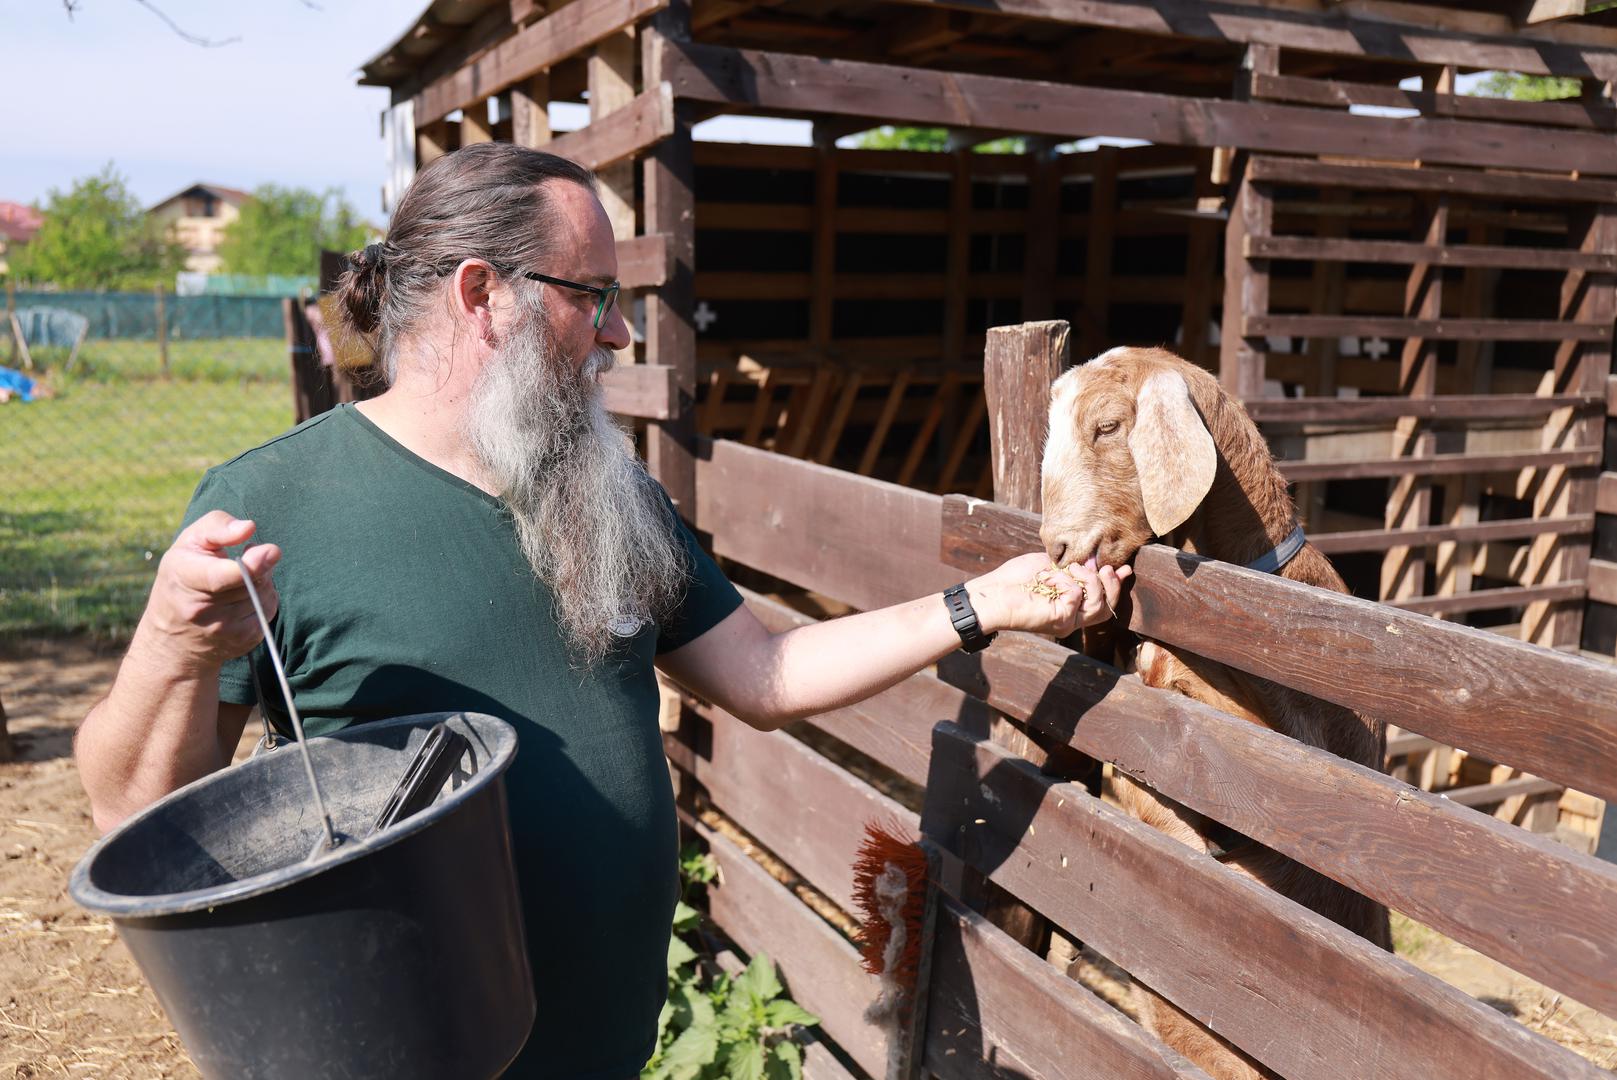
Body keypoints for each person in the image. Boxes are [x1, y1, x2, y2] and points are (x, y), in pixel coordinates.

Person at [74, 143, 1131, 1078]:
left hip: (605, 1047)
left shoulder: (602, 490)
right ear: (483, 293)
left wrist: (982, 604)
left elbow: (766, 674)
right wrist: (172, 647)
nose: (622, 334)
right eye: (595, 296)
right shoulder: (272, 503)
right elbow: (129, 809)